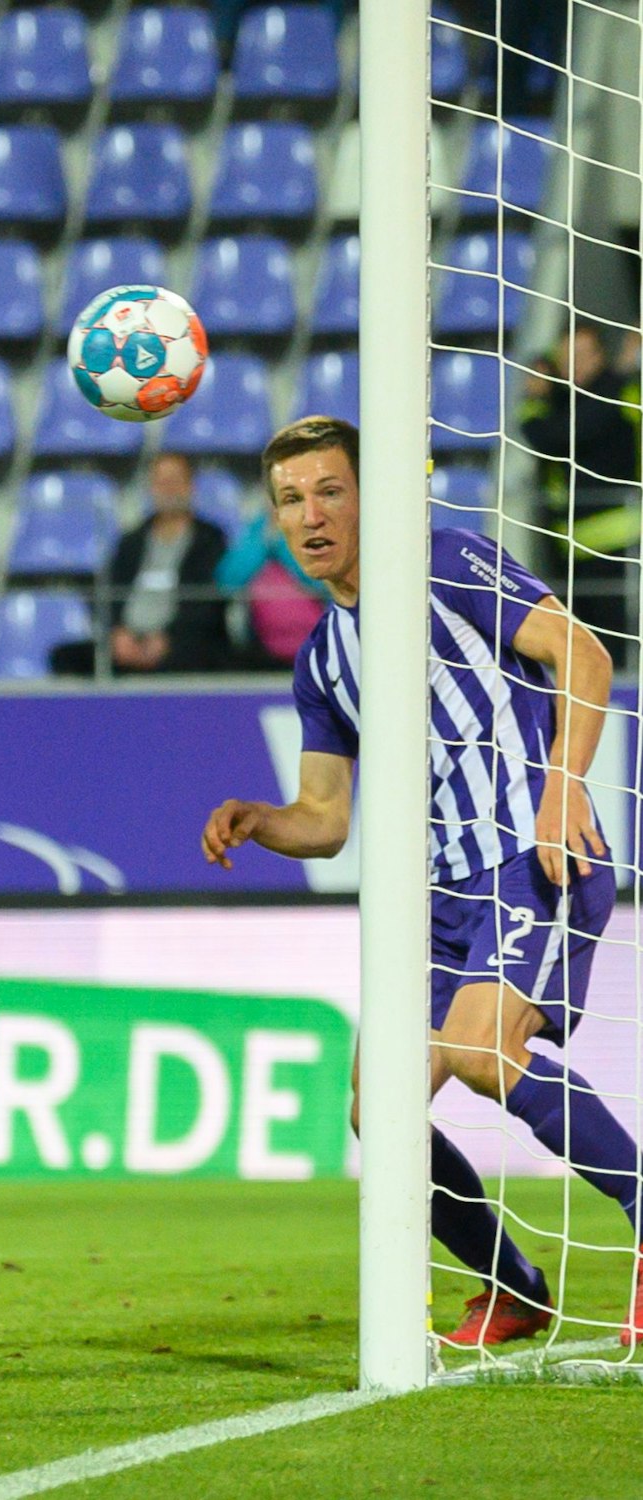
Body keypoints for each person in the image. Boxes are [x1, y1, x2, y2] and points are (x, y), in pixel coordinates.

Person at [202, 415, 643, 1350]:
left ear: (371, 494)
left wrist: (563, 785)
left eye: (329, 490)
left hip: (533, 858)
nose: (311, 515)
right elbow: (324, 822)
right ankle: (510, 1283)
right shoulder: (323, 658)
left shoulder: (444, 562)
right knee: (379, 1107)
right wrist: (261, 820)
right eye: (290, 500)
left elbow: (585, 654)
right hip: (434, 899)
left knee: (483, 1054)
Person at [517, 325, 642, 662]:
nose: (573, 365)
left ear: (599, 356)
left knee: (615, 645)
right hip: (569, 548)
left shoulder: (617, 392)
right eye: (565, 357)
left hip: (617, 544)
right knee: (580, 645)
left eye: (581, 356)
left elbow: (553, 437)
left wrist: (536, 399)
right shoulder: (566, 399)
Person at [50, 453, 232, 677]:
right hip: (128, 641)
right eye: (161, 482)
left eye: (175, 481)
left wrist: (168, 639)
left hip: (182, 643)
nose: (168, 489)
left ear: (190, 486)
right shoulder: (132, 541)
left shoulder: (210, 540)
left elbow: (208, 602)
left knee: (206, 657)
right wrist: (119, 634)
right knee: (65, 656)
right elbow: (109, 593)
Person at [213, 505, 325, 667]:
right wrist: (264, 540)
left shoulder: (319, 530)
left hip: (318, 647)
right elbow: (227, 583)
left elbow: (323, 582)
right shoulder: (254, 532)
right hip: (260, 650)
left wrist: (282, 542)